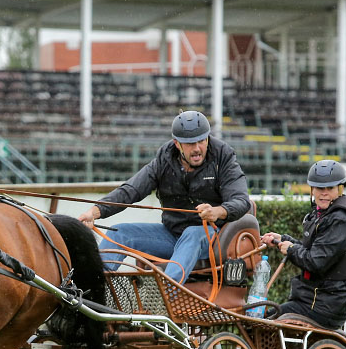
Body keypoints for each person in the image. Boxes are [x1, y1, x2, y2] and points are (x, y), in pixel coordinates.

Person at [77, 110, 251, 284]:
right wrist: (95, 211)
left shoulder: (223, 157)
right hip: (171, 235)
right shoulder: (163, 160)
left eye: (201, 141)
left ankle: (166, 294)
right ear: (177, 144)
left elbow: (241, 200)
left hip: (210, 236)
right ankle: (92, 288)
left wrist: (218, 211)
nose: (197, 148)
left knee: (192, 233)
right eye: (190, 143)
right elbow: (131, 190)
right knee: (119, 232)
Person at [260, 160, 346, 329]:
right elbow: (313, 250)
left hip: (331, 300)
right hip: (321, 295)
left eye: (329, 189)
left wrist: (292, 249)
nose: (324, 193)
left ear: (340, 189)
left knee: (267, 320)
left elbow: (315, 261)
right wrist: (283, 239)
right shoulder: (322, 214)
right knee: (268, 315)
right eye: (319, 188)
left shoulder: (340, 219)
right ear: (312, 190)